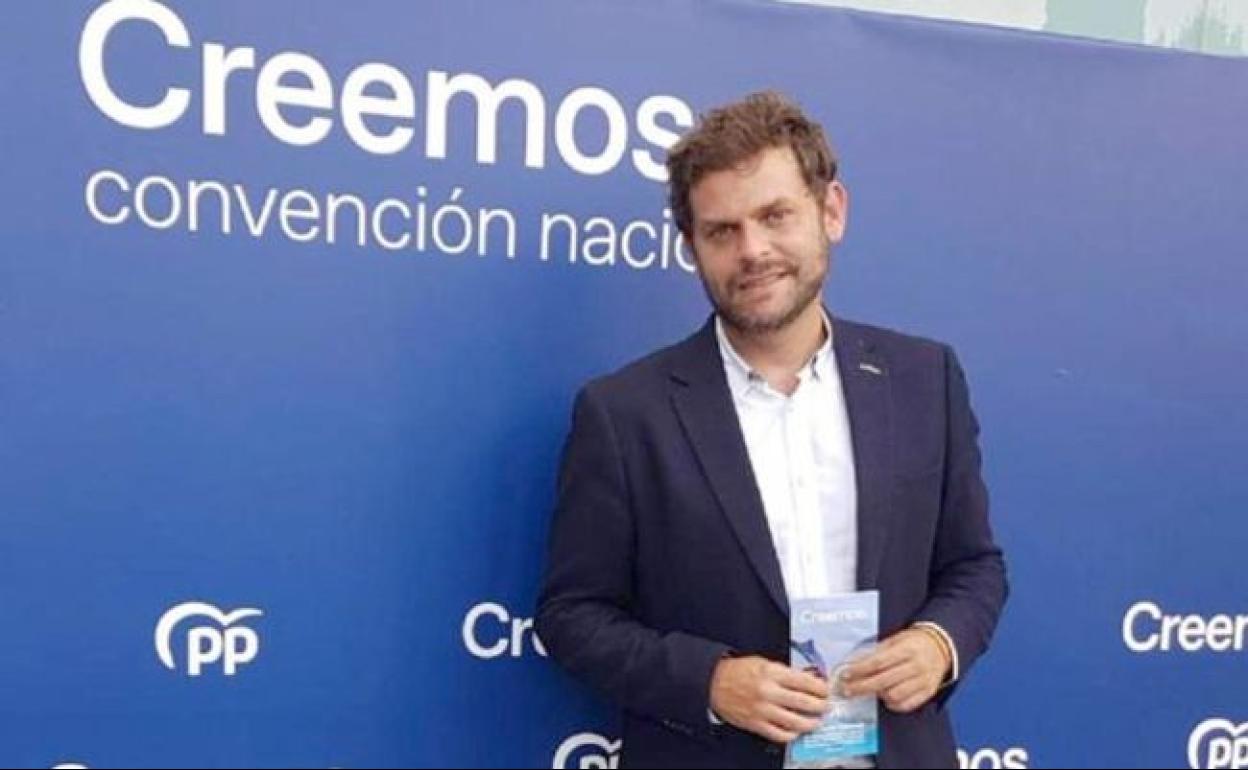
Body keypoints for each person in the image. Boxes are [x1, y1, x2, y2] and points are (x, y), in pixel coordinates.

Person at [536, 91, 1007, 769]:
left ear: (831, 211)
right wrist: (710, 681)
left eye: (774, 215)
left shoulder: (924, 379)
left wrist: (939, 643)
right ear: (693, 247)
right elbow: (572, 615)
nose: (752, 250)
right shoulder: (623, 414)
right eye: (722, 230)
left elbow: (975, 565)